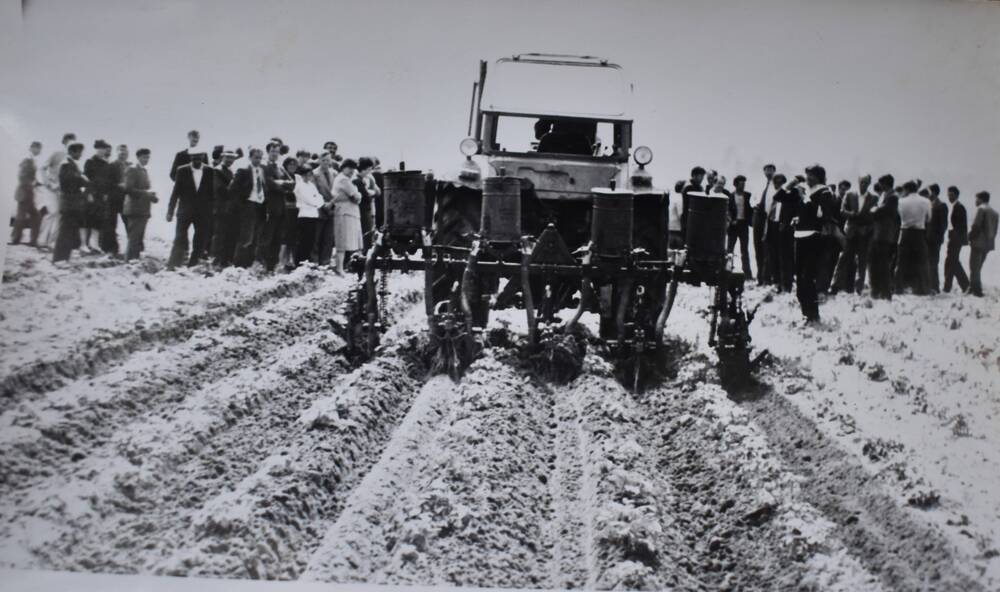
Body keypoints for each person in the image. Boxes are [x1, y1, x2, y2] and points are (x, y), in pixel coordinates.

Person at [785, 165, 836, 323]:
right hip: (799, 237)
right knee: (799, 279)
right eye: (807, 175)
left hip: (814, 238)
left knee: (808, 278)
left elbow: (823, 215)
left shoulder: (824, 192)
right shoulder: (805, 191)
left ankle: (813, 314)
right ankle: (805, 314)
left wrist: (806, 199)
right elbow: (779, 197)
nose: (807, 178)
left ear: (818, 176)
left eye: (811, 175)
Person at [166, 151, 215, 269]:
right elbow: (175, 192)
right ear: (190, 157)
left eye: (199, 158)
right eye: (194, 158)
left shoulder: (210, 171)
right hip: (184, 211)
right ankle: (173, 265)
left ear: (203, 157)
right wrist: (170, 211)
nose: (196, 160)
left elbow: (212, 194)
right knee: (179, 238)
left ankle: (194, 264)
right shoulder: (182, 170)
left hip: (203, 212)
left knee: (200, 239)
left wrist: (212, 211)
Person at [835, 174, 877, 294]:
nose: (863, 184)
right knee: (844, 259)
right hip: (851, 231)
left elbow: (875, 215)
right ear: (858, 182)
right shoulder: (850, 195)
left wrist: (867, 221)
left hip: (864, 232)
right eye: (861, 182)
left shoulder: (874, 198)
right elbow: (842, 211)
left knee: (862, 261)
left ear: (869, 183)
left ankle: (858, 288)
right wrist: (852, 214)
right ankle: (836, 285)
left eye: (865, 182)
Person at [258, 143, 295, 272]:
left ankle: (271, 266)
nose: (275, 154)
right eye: (272, 151)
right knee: (266, 236)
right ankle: (261, 264)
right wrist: (281, 185)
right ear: (268, 152)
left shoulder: (280, 166)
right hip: (269, 206)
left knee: (277, 237)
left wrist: (281, 183)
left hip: (281, 207)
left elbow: (292, 184)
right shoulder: (263, 165)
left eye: (277, 152)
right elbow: (269, 184)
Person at [893, 180, 932, 295]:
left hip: (905, 232)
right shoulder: (926, 201)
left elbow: (898, 217)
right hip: (919, 233)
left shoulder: (901, 201)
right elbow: (929, 218)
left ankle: (898, 288)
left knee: (901, 262)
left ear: (907, 189)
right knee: (922, 261)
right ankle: (922, 289)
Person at [37, 133, 75, 248]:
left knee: (60, 215)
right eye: (69, 141)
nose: (71, 144)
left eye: (73, 142)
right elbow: (42, 168)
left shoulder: (71, 158)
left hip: (62, 190)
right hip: (50, 188)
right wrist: (48, 183)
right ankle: (41, 241)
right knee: (52, 212)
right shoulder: (56, 153)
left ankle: (52, 242)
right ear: (64, 142)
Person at [231, 148, 267, 268]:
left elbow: (263, 187)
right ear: (250, 157)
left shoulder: (261, 171)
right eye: (256, 157)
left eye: (260, 158)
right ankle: (238, 265)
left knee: (256, 237)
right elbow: (233, 189)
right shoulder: (243, 171)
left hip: (259, 205)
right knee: (246, 237)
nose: (258, 160)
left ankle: (248, 265)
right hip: (248, 205)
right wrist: (242, 205)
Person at [53, 142, 88, 263]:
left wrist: (81, 179)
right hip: (68, 203)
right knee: (65, 232)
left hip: (73, 204)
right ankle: (59, 259)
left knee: (69, 232)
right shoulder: (66, 164)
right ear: (72, 152)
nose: (80, 154)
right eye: (79, 152)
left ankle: (63, 258)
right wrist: (81, 179)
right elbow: (68, 182)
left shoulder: (72, 165)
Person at [123, 148, 158, 261]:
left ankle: (134, 259)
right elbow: (128, 188)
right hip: (134, 209)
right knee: (134, 237)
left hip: (143, 209)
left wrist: (152, 196)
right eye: (144, 157)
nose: (146, 159)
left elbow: (145, 189)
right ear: (138, 157)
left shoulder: (144, 171)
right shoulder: (132, 169)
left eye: (148, 157)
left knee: (139, 237)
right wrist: (146, 194)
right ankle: (129, 260)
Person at [869, 174, 900, 300]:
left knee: (883, 265)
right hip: (879, 234)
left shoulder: (892, 197)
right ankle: (878, 291)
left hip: (884, 235)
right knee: (877, 264)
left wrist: (874, 210)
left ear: (885, 184)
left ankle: (885, 292)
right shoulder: (886, 196)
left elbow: (880, 211)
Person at [210, 147, 242, 268]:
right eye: (227, 157)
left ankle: (225, 262)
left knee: (230, 236)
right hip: (221, 208)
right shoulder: (217, 171)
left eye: (232, 158)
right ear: (222, 157)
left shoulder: (231, 171)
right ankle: (215, 261)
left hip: (232, 209)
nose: (230, 160)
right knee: (219, 236)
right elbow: (220, 190)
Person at [766, 173, 797, 292]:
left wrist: (787, 223)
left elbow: (794, 211)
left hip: (786, 228)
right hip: (773, 226)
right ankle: (777, 282)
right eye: (775, 183)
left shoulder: (791, 195)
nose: (777, 185)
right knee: (773, 255)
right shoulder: (773, 196)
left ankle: (787, 284)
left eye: (780, 182)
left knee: (786, 257)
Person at [333, 158, 364, 275]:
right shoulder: (342, 180)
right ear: (343, 167)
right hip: (344, 213)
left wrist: (357, 195)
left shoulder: (347, 180)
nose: (352, 171)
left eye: (353, 169)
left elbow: (358, 197)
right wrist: (357, 195)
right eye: (349, 168)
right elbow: (356, 196)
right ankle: (339, 268)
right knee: (343, 241)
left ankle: (348, 267)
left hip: (350, 213)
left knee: (350, 241)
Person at [83, 140, 113, 253]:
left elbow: (107, 181)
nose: (102, 151)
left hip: (101, 196)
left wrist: (106, 194)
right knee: (87, 220)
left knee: (98, 220)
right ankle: (84, 244)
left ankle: (94, 244)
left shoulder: (106, 164)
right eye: (100, 148)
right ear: (96, 149)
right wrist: (89, 193)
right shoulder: (90, 162)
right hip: (91, 194)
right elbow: (86, 179)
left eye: (104, 149)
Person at [10, 141, 42, 246]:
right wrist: (31, 183)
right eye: (37, 148)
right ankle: (17, 239)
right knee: (23, 216)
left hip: (28, 191)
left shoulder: (32, 160)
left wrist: (37, 183)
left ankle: (27, 240)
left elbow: (30, 176)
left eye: (39, 148)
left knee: (32, 216)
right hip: (24, 191)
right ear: (32, 148)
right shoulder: (27, 159)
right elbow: (21, 175)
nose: (39, 150)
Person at [293, 164, 325, 265]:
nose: (308, 177)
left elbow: (320, 198)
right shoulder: (300, 185)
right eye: (305, 175)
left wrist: (317, 202)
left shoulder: (311, 185)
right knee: (303, 241)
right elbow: (310, 200)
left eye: (309, 175)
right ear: (302, 175)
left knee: (310, 241)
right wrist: (316, 202)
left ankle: (306, 262)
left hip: (313, 215)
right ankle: (299, 263)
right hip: (304, 215)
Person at [968, 191, 999, 297]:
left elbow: (976, 226)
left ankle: (976, 290)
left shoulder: (981, 209)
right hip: (988, 244)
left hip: (978, 243)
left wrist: (969, 237)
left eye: (976, 198)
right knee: (979, 266)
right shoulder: (994, 212)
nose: (975, 201)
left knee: (974, 267)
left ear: (981, 199)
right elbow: (995, 230)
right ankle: (973, 287)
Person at [104, 143, 131, 256]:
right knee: (111, 224)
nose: (123, 153)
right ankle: (112, 249)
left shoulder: (131, 166)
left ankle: (132, 248)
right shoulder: (111, 165)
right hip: (114, 198)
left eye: (125, 152)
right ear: (117, 152)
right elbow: (107, 182)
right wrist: (118, 185)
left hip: (126, 199)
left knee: (129, 223)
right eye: (121, 151)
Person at [943, 186, 970, 293]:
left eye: (951, 195)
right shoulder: (955, 206)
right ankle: (961, 286)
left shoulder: (959, 207)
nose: (949, 197)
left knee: (951, 262)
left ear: (956, 195)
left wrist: (953, 237)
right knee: (952, 262)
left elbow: (960, 226)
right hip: (954, 238)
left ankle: (961, 285)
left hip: (955, 239)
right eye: (948, 195)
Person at [313, 151, 338, 265]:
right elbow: (314, 192)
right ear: (319, 161)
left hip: (332, 209)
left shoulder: (334, 173)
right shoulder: (314, 174)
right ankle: (314, 262)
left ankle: (325, 262)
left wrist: (332, 204)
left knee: (328, 238)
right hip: (319, 209)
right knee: (317, 237)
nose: (326, 163)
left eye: (328, 160)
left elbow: (338, 191)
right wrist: (324, 205)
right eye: (323, 160)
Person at [752, 164, 776, 284]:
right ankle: (759, 276)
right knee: (757, 246)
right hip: (758, 217)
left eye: (771, 170)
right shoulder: (759, 184)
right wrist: (755, 205)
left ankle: (767, 276)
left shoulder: (775, 185)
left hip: (768, 218)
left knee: (767, 247)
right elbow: (753, 198)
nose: (769, 172)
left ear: (774, 171)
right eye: (767, 170)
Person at [727, 175, 753, 278]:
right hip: (734, 225)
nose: (743, 186)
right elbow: (727, 211)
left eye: (744, 184)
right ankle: (728, 271)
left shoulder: (748, 195)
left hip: (744, 224)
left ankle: (747, 274)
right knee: (730, 250)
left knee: (744, 250)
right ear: (736, 184)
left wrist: (751, 221)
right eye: (741, 184)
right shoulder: (730, 196)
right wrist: (731, 220)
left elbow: (751, 209)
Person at [278, 157, 301, 271]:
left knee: (293, 237)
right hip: (286, 210)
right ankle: (282, 262)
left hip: (296, 210)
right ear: (286, 165)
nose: (292, 166)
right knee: (285, 237)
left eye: (294, 164)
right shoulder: (282, 177)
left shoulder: (297, 178)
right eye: (290, 164)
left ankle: (291, 262)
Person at [925, 184, 948, 293]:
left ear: (934, 192)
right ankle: (930, 285)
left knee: (933, 263)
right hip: (927, 239)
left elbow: (943, 225)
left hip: (934, 240)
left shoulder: (941, 206)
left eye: (929, 192)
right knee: (929, 262)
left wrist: (938, 238)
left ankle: (934, 287)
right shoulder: (929, 205)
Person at [356, 157, 379, 251]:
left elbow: (378, 192)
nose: (370, 171)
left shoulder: (370, 178)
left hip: (367, 208)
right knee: (362, 231)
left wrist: (371, 192)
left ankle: (366, 251)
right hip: (359, 208)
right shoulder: (356, 178)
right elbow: (363, 194)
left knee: (368, 230)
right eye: (369, 169)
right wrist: (370, 192)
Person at [668, 180, 685, 249]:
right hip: (678, 229)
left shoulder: (672, 196)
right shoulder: (680, 198)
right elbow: (680, 214)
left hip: (670, 227)